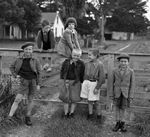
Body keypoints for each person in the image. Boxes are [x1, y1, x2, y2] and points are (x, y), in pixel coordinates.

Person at [8, 42, 41, 126]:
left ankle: (28, 117)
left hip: (33, 81)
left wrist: (38, 84)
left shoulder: (35, 60)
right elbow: (11, 67)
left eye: (30, 49)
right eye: (26, 49)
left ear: (32, 50)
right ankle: (9, 117)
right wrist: (15, 75)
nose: (28, 51)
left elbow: (39, 72)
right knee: (17, 99)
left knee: (30, 99)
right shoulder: (18, 59)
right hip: (23, 81)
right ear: (23, 50)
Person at [110, 53, 135, 132]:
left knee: (124, 108)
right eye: (122, 61)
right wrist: (111, 94)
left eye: (125, 61)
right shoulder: (114, 70)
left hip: (125, 93)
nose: (123, 63)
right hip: (117, 92)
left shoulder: (131, 71)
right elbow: (111, 83)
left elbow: (132, 84)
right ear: (119, 62)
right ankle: (117, 122)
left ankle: (123, 123)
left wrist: (130, 96)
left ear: (128, 62)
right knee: (116, 108)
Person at [80, 49, 105, 122]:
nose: (88, 56)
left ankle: (99, 115)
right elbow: (84, 74)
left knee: (96, 101)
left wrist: (97, 88)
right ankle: (90, 114)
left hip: (94, 84)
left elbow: (102, 77)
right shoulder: (87, 64)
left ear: (96, 56)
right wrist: (84, 82)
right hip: (87, 83)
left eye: (90, 55)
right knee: (89, 100)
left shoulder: (100, 64)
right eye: (88, 55)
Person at [59, 49, 85, 118]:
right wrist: (62, 79)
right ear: (71, 54)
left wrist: (82, 82)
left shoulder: (81, 63)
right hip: (66, 81)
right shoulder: (66, 62)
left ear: (80, 56)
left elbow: (82, 73)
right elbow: (62, 71)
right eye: (74, 55)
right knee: (65, 98)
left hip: (76, 82)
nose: (76, 57)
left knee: (74, 98)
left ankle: (71, 113)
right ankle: (65, 113)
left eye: (78, 56)